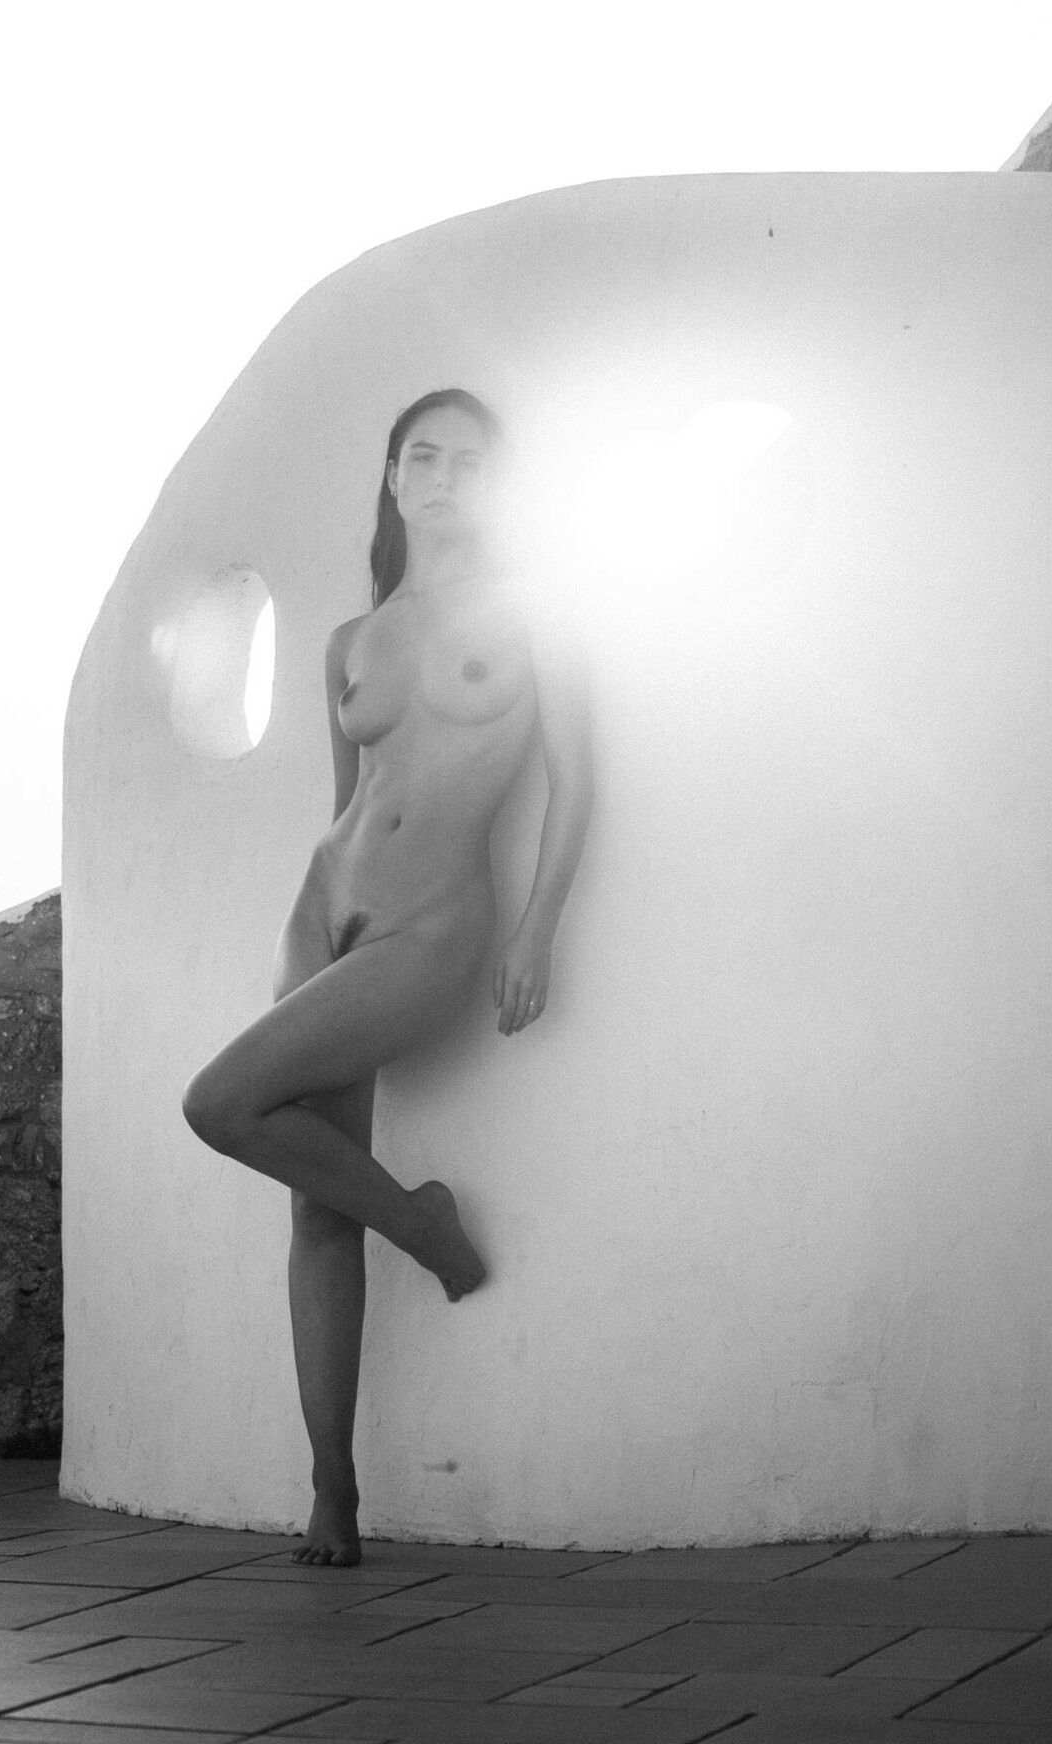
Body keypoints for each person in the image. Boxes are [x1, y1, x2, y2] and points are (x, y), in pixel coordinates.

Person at [182, 387, 594, 1566]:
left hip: (434, 923)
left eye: (472, 461)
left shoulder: (537, 613)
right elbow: (345, 805)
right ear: (394, 476)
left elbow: (576, 778)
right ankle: (334, 1489)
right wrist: (314, 927)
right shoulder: (348, 644)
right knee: (316, 1203)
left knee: (219, 1104)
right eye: (426, 455)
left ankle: (421, 1227)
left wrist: (537, 928)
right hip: (322, 913)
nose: (446, 477)